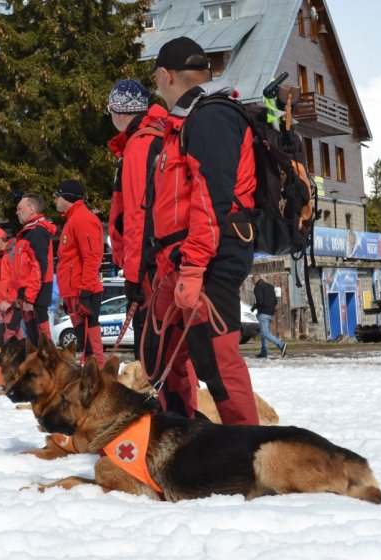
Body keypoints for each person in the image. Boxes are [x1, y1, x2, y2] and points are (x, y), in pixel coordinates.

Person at [145, 36, 260, 425]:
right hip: (179, 258)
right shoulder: (186, 119)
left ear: (166, 75)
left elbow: (211, 201)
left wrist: (193, 269)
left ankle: (247, 449)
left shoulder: (212, 116)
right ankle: (180, 434)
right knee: (157, 353)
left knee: (215, 358)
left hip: (209, 256)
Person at [106, 78, 167, 360]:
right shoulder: (156, 135)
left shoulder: (140, 145)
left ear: (119, 111)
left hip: (149, 267)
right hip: (157, 260)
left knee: (152, 355)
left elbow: (137, 216)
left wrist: (133, 275)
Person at [55, 179, 105, 366]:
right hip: (74, 290)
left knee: (91, 345)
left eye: (57, 196)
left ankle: (100, 379)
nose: (55, 201)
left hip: (83, 290)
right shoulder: (72, 219)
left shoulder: (83, 218)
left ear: (67, 197)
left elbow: (92, 256)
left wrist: (85, 290)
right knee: (85, 345)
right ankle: (93, 379)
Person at [10, 193, 57, 345]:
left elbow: (38, 267)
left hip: (36, 294)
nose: (17, 212)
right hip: (27, 293)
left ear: (31, 208)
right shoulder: (27, 232)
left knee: (42, 340)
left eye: (19, 208)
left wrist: (30, 297)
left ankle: (49, 365)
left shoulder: (37, 232)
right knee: (33, 338)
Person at [251, 274, 287, 359]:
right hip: (271, 312)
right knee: (264, 332)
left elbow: (260, 301)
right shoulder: (270, 286)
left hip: (263, 312)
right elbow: (275, 301)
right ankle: (264, 352)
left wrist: (255, 306)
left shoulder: (257, 287)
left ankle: (281, 344)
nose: (253, 283)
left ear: (254, 280)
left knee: (264, 332)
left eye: (252, 281)